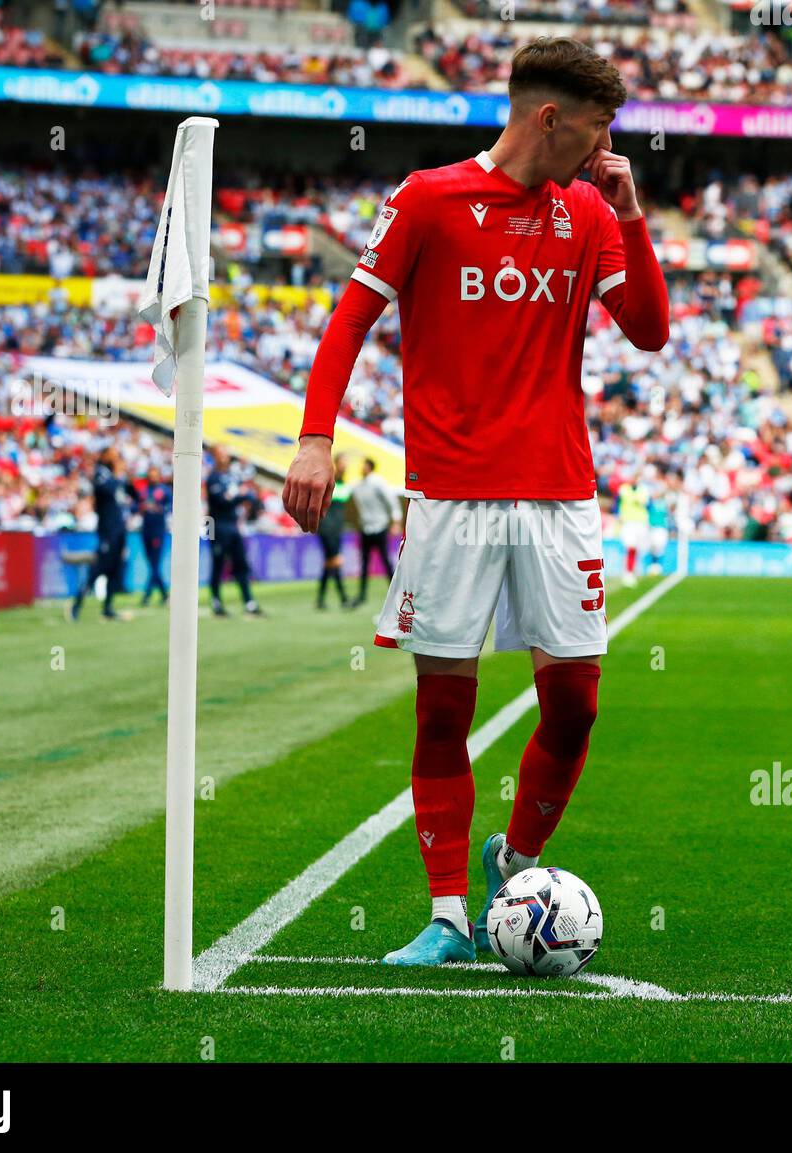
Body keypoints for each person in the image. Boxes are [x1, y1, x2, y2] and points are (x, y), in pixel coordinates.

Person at [282, 37, 668, 966]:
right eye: (598, 128)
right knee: (442, 711)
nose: (606, 147)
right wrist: (314, 436)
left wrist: (633, 215)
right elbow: (351, 316)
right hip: (450, 496)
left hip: (559, 494)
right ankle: (449, 917)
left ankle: (519, 862)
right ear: (550, 118)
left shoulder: (589, 209)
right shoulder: (428, 199)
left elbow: (650, 332)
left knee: (574, 703)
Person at [71, 445, 135, 621]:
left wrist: (125, 478)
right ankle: (77, 604)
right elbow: (103, 489)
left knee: (115, 569)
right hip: (107, 529)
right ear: (106, 456)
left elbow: (135, 494)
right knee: (99, 568)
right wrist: (118, 477)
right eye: (113, 455)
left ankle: (108, 607)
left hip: (119, 528)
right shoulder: (102, 473)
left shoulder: (118, 477)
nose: (116, 458)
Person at [206, 446, 263, 618]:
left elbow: (243, 495)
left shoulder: (232, 476)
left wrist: (243, 497)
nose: (224, 456)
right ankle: (216, 601)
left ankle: (249, 601)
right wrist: (242, 497)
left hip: (233, 524)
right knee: (218, 564)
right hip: (216, 525)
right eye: (220, 453)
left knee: (241, 564)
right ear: (215, 456)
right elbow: (222, 501)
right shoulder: (213, 478)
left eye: (225, 453)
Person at [349, 457, 401, 608]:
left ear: (370, 467)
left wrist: (396, 521)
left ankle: (395, 593)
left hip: (380, 526)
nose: (361, 468)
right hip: (366, 528)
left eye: (364, 465)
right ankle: (362, 594)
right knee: (365, 563)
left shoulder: (378, 482)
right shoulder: (358, 485)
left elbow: (392, 500)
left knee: (385, 561)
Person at [315, 455, 354, 610]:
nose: (346, 465)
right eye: (343, 462)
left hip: (337, 528)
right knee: (334, 561)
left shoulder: (344, 483)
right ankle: (343, 598)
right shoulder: (328, 481)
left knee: (329, 563)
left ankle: (320, 599)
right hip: (327, 528)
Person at [139, 465, 172, 607]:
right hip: (146, 529)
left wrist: (159, 509)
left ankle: (147, 595)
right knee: (152, 564)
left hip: (158, 530)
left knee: (155, 563)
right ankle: (165, 594)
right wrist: (142, 507)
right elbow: (135, 506)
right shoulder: (144, 491)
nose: (153, 477)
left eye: (155, 474)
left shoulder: (164, 490)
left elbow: (171, 506)